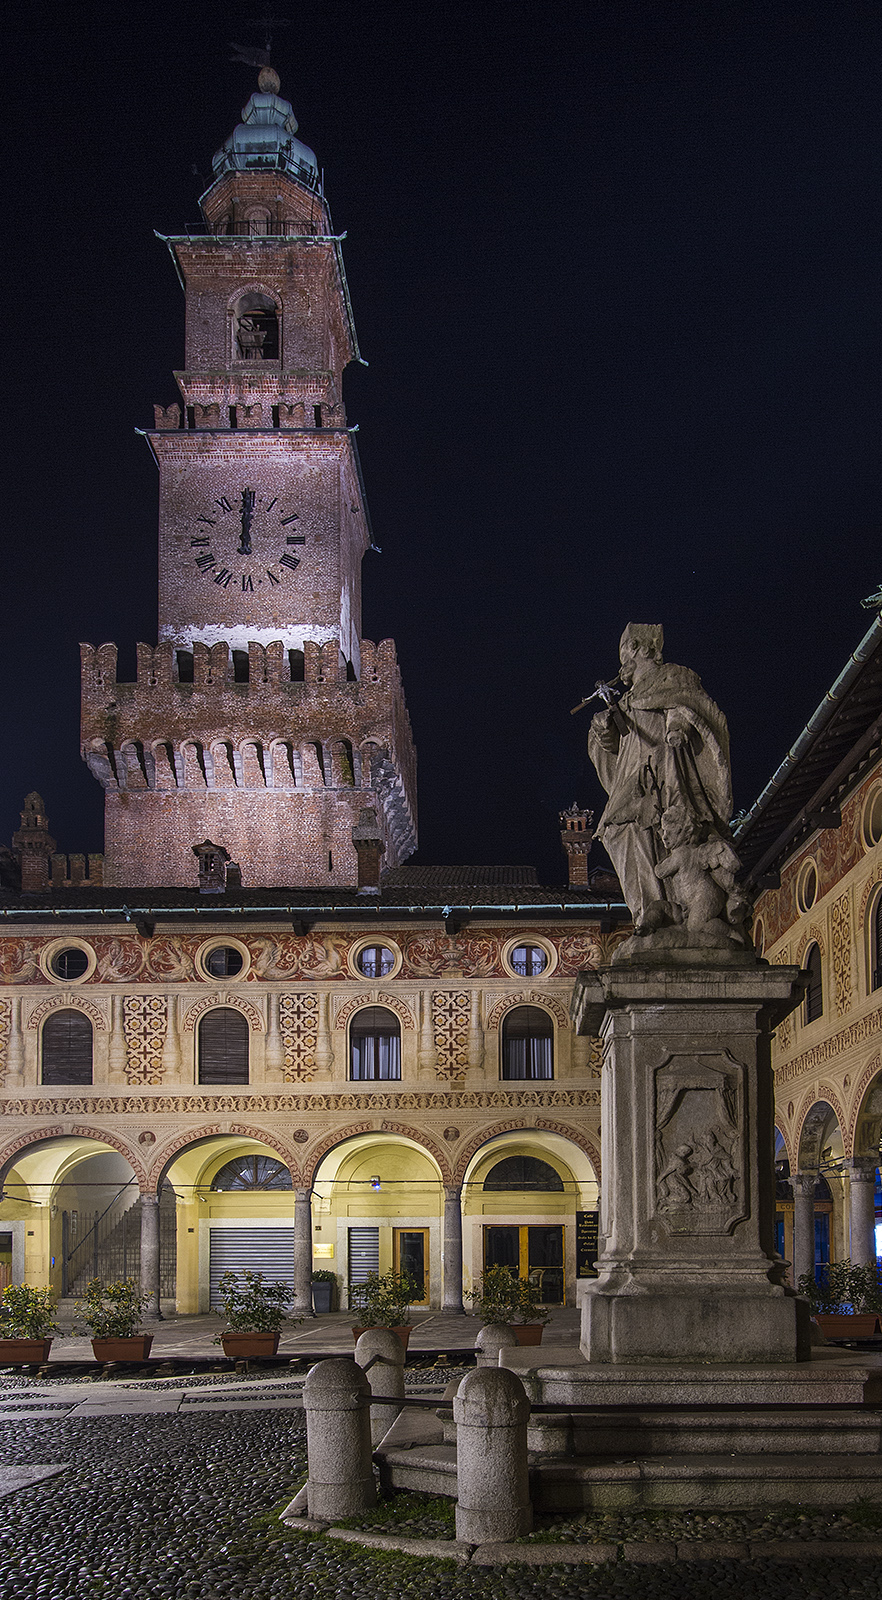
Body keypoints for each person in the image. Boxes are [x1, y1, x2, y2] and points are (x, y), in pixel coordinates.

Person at [588, 623, 734, 934]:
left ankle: (673, 910)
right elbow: (616, 748)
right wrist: (604, 732)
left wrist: (676, 727)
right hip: (632, 778)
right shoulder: (625, 702)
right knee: (619, 830)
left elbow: (688, 707)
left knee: (671, 834)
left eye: (628, 650)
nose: (624, 660)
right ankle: (648, 911)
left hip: (670, 774)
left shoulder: (674, 677)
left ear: (646, 650)